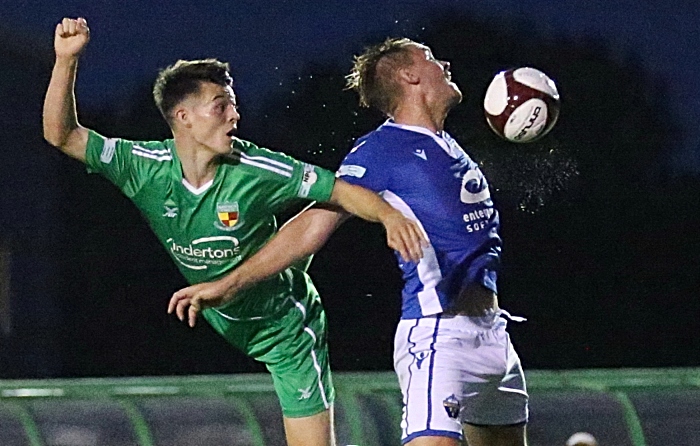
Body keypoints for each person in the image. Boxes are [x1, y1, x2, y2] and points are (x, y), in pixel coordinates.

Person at [43, 19, 427, 446]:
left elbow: (341, 191)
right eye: (221, 105)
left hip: (284, 327)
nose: (235, 115)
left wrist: (389, 216)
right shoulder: (143, 167)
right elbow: (61, 134)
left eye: (234, 104)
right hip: (212, 316)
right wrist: (66, 60)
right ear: (183, 117)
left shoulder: (255, 169)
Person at [170, 37, 530, 446]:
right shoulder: (383, 148)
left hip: (495, 337)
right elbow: (315, 222)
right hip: (439, 338)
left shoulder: (446, 144)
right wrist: (229, 284)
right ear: (409, 76)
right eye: (430, 58)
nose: (444, 62)